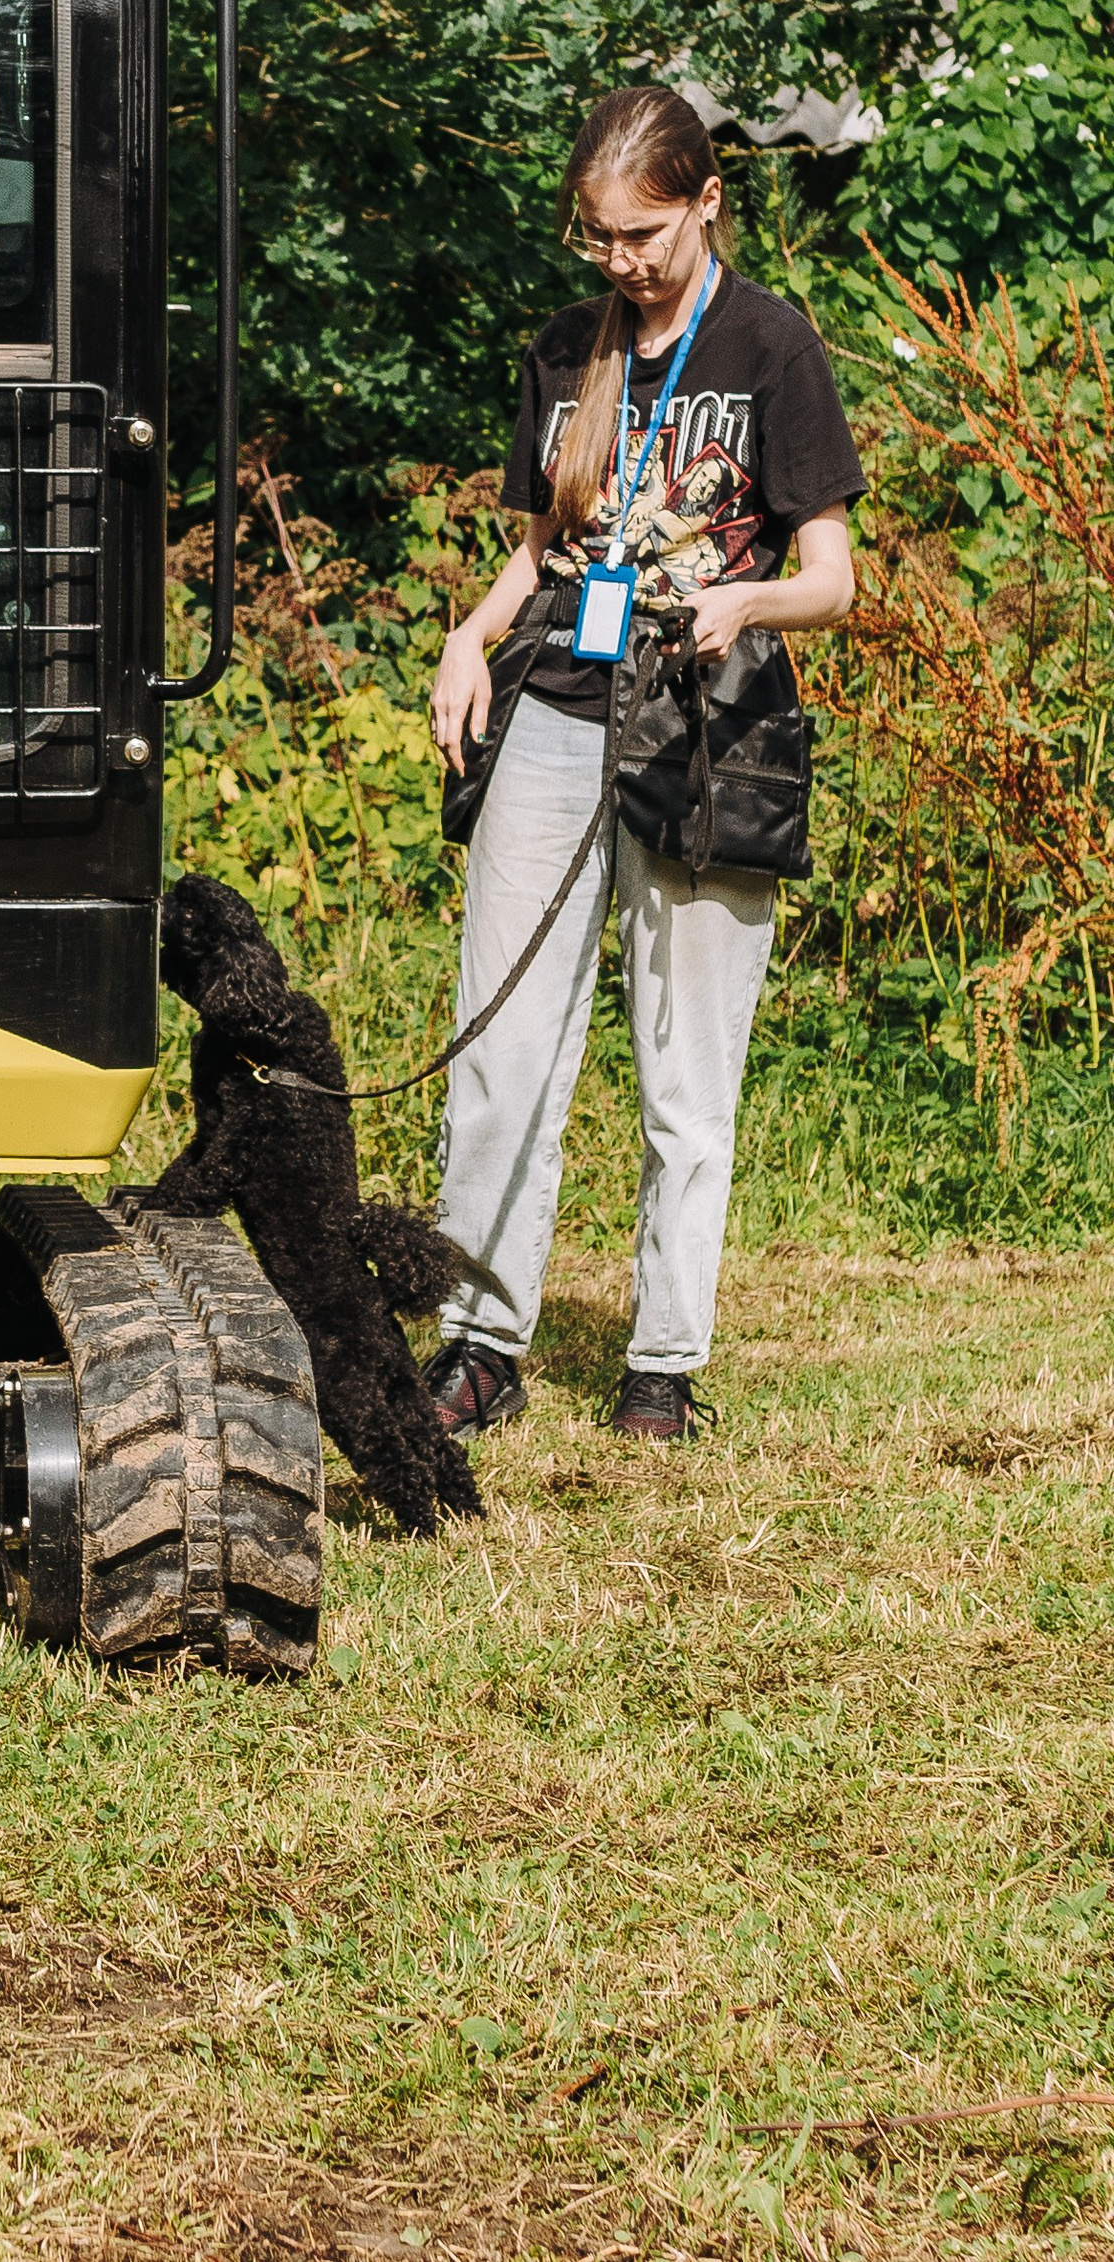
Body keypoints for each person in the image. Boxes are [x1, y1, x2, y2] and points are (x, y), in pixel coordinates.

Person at [424, 86, 861, 1443]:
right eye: (600, 234)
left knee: (686, 1063)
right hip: (551, 715)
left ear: (706, 200)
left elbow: (835, 580)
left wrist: (749, 603)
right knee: (499, 1045)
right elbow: (532, 553)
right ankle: (480, 1339)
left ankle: (661, 1366)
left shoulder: (774, 349)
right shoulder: (566, 350)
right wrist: (468, 638)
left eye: (643, 232)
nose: (620, 258)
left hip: (706, 734)